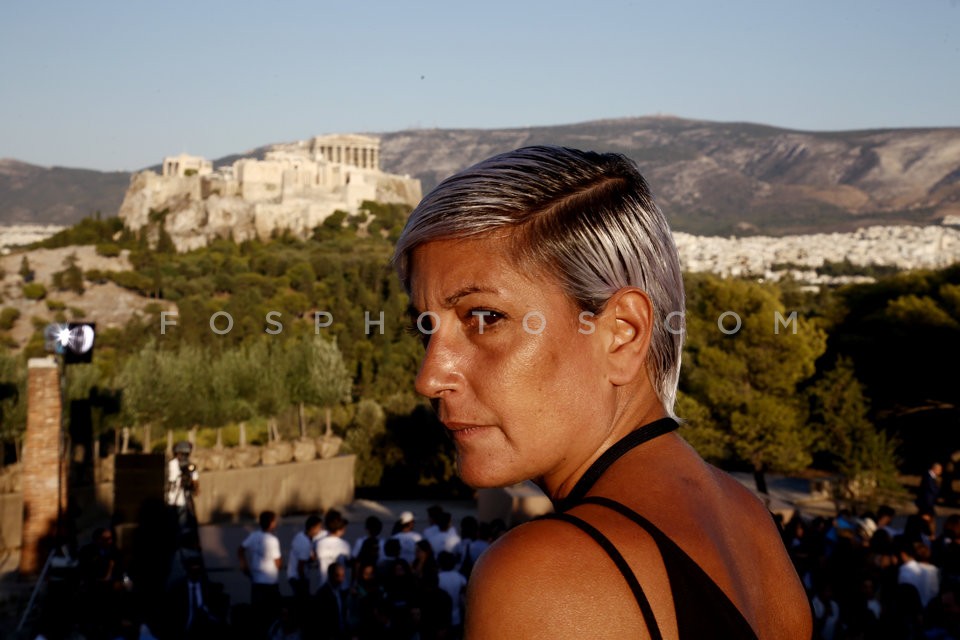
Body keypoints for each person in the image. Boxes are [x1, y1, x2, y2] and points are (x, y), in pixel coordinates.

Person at [391, 146, 812, 638]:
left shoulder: (545, 575)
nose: (430, 376)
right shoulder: (746, 518)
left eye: (485, 318)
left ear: (623, 333)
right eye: (426, 327)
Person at [239, 510, 283, 633]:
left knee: (258, 615)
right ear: (271, 523)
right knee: (272, 616)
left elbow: (241, 549)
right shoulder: (272, 540)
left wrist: (244, 565)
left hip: (256, 581)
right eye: (274, 521)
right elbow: (278, 563)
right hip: (270, 583)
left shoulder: (253, 536)